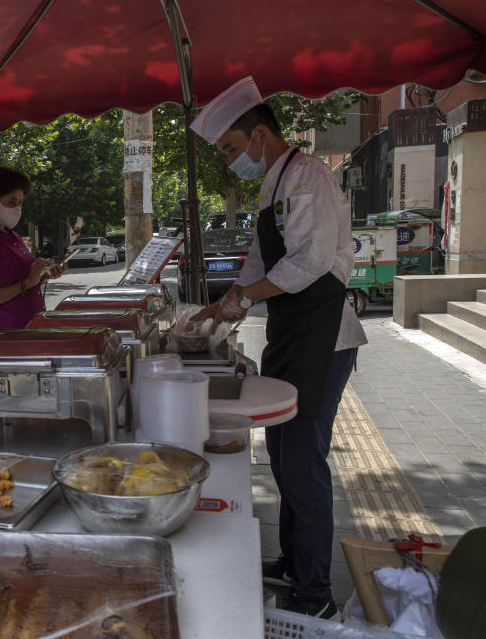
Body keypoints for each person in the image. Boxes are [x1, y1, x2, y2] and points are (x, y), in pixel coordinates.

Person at [189, 76, 366, 620]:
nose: (229, 161)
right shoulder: (273, 182)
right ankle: (293, 562)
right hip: (292, 335)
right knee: (286, 460)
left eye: (231, 149)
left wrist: (244, 296)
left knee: (304, 462)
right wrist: (224, 305)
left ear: (260, 134)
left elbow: (309, 263)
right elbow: (258, 263)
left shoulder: (307, 175)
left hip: (323, 339)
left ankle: (317, 597)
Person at [0, 167, 66, 330]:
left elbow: (26, 282)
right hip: (8, 334)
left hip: (33, 327)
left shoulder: (13, 236)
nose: (17, 209)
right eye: (11, 202)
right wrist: (27, 283)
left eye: (20, 203)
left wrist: (46, 276)